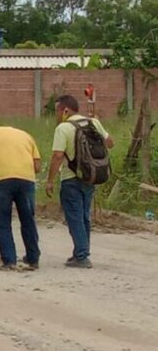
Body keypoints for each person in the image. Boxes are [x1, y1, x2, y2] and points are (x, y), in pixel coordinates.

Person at [45, 94, 114, 268]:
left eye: (57, 111)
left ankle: (82, 256)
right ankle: (80, 252)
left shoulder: (63, 128)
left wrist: (50, 180)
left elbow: (57, 156)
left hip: (71, 178)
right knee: (84, 216)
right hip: (90, 176)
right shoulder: (93, 123)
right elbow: (110, 143)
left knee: (74, 217)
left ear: (65, 110)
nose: (57, 115)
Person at [0, 126, 41, 270]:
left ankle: (9, 260)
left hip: (2, 179)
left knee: (3, 220)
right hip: (26, 180)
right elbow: (37, 166)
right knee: (28, 219)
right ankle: (33, 257)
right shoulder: (27, 135)